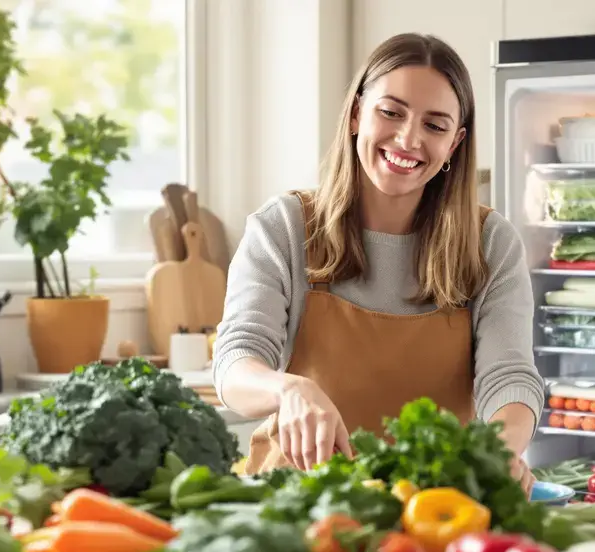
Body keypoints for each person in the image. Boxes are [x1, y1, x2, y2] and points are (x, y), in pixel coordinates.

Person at [212, 32, 545, 493]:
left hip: (431, 507)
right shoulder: (283, 227)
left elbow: (508, 373)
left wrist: (500, 450)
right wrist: (287, 389)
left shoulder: (490, 242)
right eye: (391, 112)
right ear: (355, 114)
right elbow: (235, 361)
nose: (408, 139)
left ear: (455, 144)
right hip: (293, 504)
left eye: (435, 125)